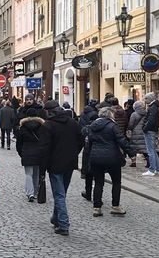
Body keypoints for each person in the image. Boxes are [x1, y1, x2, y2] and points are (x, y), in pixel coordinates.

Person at [39, 99, 85, 236]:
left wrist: (42, 170)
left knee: (59, 195)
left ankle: (64, 224)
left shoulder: (48, 125)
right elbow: (81, 140)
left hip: (55, 164)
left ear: (48, 111)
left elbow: (44, 149)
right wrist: (73, 153)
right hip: (70, 163)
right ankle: (56, 219)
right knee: (61, 193)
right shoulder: (72, 122)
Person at [87, 106, 135, 216]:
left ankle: (96, 207)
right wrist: (131, 153)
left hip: (96, 157)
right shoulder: (112, 126)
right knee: (116, 182)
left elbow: (89, 142)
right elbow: (121, 140)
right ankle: (115, 206)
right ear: (110, 115)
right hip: (112, 157)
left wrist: (91, 156)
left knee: (99, 182)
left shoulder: (92, 126)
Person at [15, 103, 45, 201]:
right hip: (39, 152)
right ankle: (36, 192)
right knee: (36, 173)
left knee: (28, 174)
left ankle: (30, 193)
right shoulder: (42, 127)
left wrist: (21, 153)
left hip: (27, 152)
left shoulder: (23, 127)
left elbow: (19, 142)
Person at [78, 98, 99, 202]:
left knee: (88, 174)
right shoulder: (101, 127)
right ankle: (97, 196)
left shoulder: (83, 114)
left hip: (87, 152)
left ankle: (88, 193)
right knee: (98, 176)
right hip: (99, 153)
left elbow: (79, 140)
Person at [141, 92, 159, 176]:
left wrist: (145, 128)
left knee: (150, 151)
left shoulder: (153, 108)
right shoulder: (154, 107)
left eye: (146, 98)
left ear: (149, 99)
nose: (145, 100)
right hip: (152, 130)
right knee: (153, 150)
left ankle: (152, 169)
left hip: (150, 131)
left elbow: (151, 120)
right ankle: (158, 169)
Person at [127, 100, 148, 169]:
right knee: (144, 148)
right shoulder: (146, 113)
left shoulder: (134, 114)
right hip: (144, 131)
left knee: (133, 148)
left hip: (135, 132)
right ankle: (148, 161)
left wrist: (129, 129)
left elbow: (131, 124)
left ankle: (133, 162)